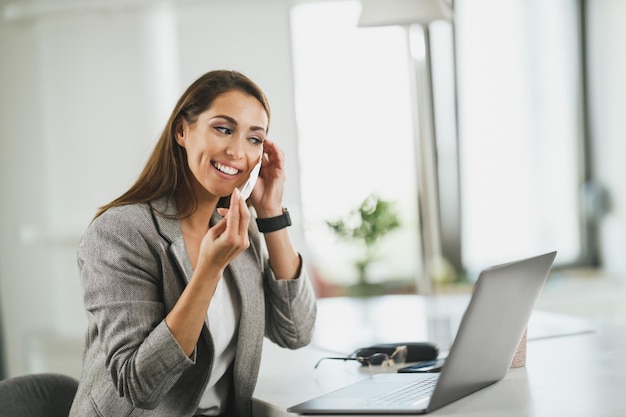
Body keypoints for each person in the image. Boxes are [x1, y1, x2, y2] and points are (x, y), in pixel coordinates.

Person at [69, 70, 317, 417]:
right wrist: (209, 270)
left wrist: (271, 213)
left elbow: (296, 331)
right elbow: (140, 387)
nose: (237, 151)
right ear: (183, 130)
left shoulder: (234, 229)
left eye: (254, 139)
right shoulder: (121, 232)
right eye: (223, 129)